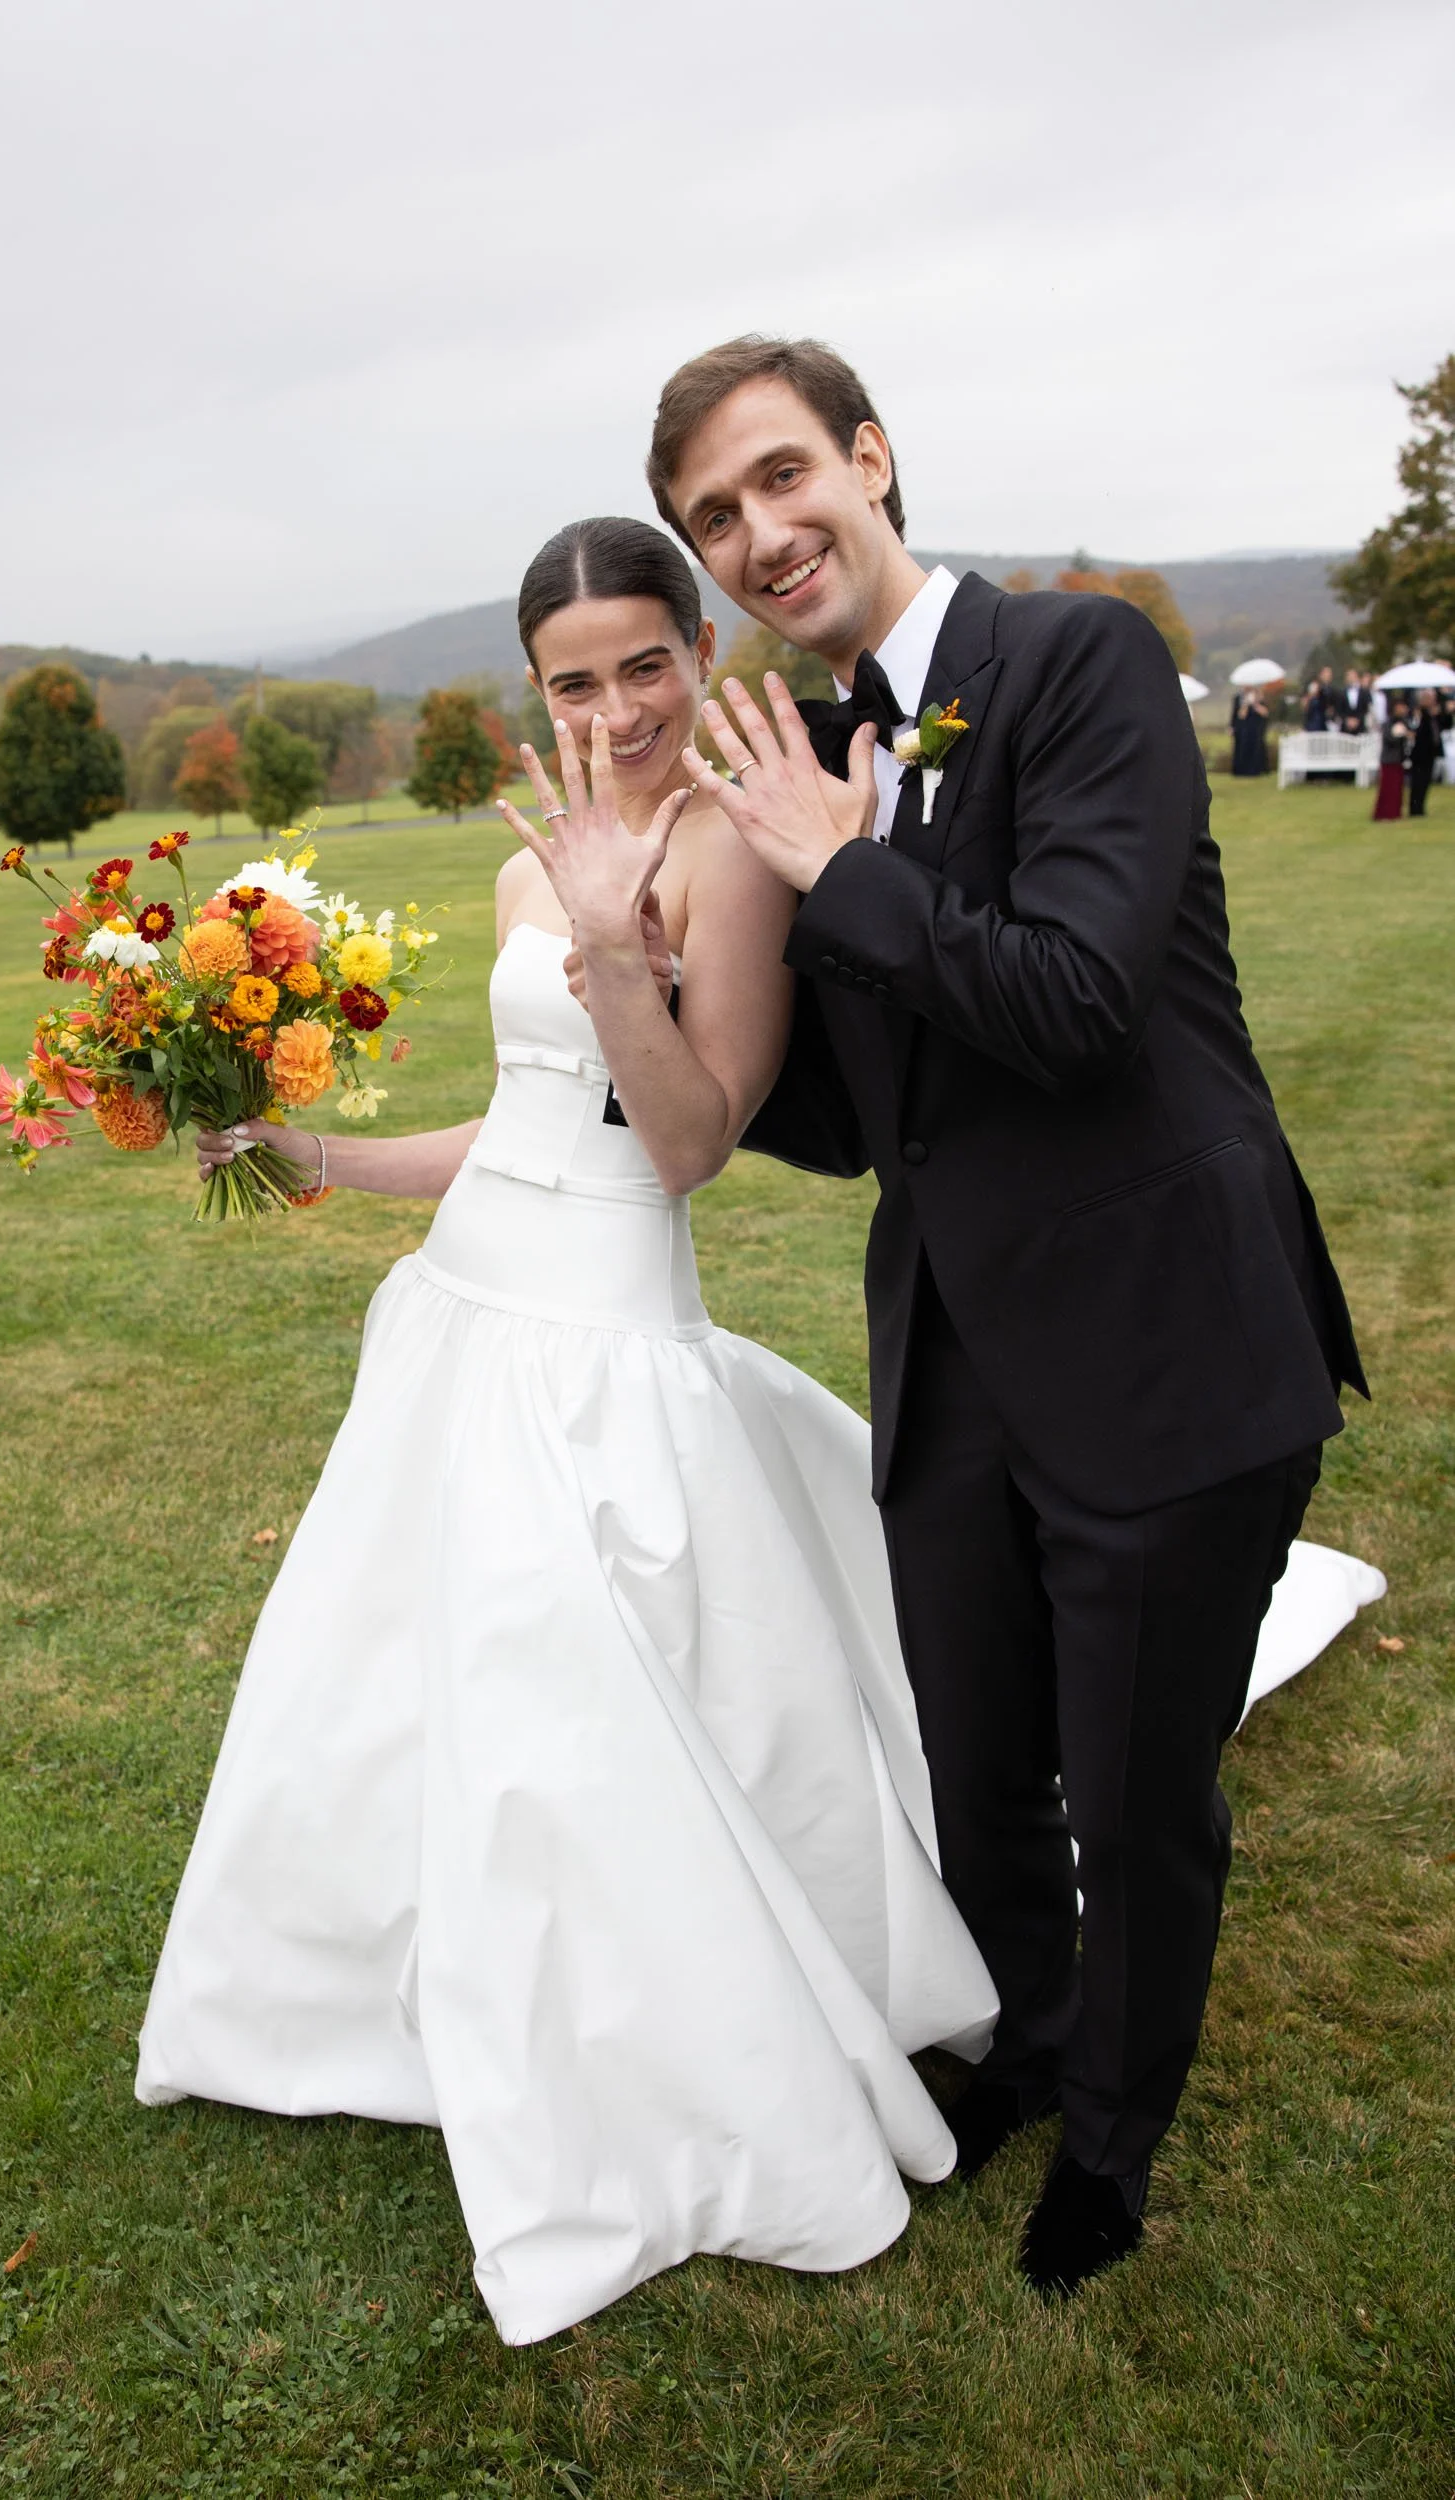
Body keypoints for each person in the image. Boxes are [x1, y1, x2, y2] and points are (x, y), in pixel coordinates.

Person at [135, 514, 1005, 2346]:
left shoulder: (730, 853)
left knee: (577, 1711)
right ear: (532, 690)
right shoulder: (540, 856)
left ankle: (639, 2031)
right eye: (569, 680)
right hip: (466, 1310)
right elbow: (516, 1125)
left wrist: (623, 943)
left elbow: (689, 1139)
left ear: (696, 651)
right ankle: (371, 1986)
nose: (609, 710)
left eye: (639, 665)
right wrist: (309, 1153)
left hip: (607, 1333)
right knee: (413, 1682)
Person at [642, 334, 1371, 2299]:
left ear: (868, 457)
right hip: (953, 1357)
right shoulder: (808, 749)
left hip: (1163, 1338)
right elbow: (838, 1109)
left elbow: (1062, 996)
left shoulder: (1077, 666)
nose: (756, 531)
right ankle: (1021, 2044)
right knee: (980, 1767)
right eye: (712, 515)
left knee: (1132, 1790)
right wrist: (664, 985)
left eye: (780, 475)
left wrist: (847, 860)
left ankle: (1112, 2137)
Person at [1408, 687, 1444, 816]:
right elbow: (1416, 729)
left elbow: (1444, 725)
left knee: (1426, 781)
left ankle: (1421, 807)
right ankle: (1415, 808)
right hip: (1419, 754)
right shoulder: (1419, 713)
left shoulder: (1434, 714)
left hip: (1431, 753)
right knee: (1418, 781)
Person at [1373, 698, 1411, 820]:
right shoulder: (1388, 723)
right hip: (1389, 760)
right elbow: (1389, 738)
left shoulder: (1404, 722)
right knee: (1387, 788)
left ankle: (1395, 812)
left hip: (1399, 759)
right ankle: (1384, 813)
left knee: (1397, 788)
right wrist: (1400, 734)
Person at [1231, 685, 1270, 776]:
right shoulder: (1239, 698)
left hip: (1256, 728)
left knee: (1256, 748)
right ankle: (1242, 770)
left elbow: (1265, 713)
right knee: (1243, 748)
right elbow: (1241, 715)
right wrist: (1246, 704)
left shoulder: (1260, 697)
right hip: (1244, 728)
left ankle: (1256, 770)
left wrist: (1255, 704)